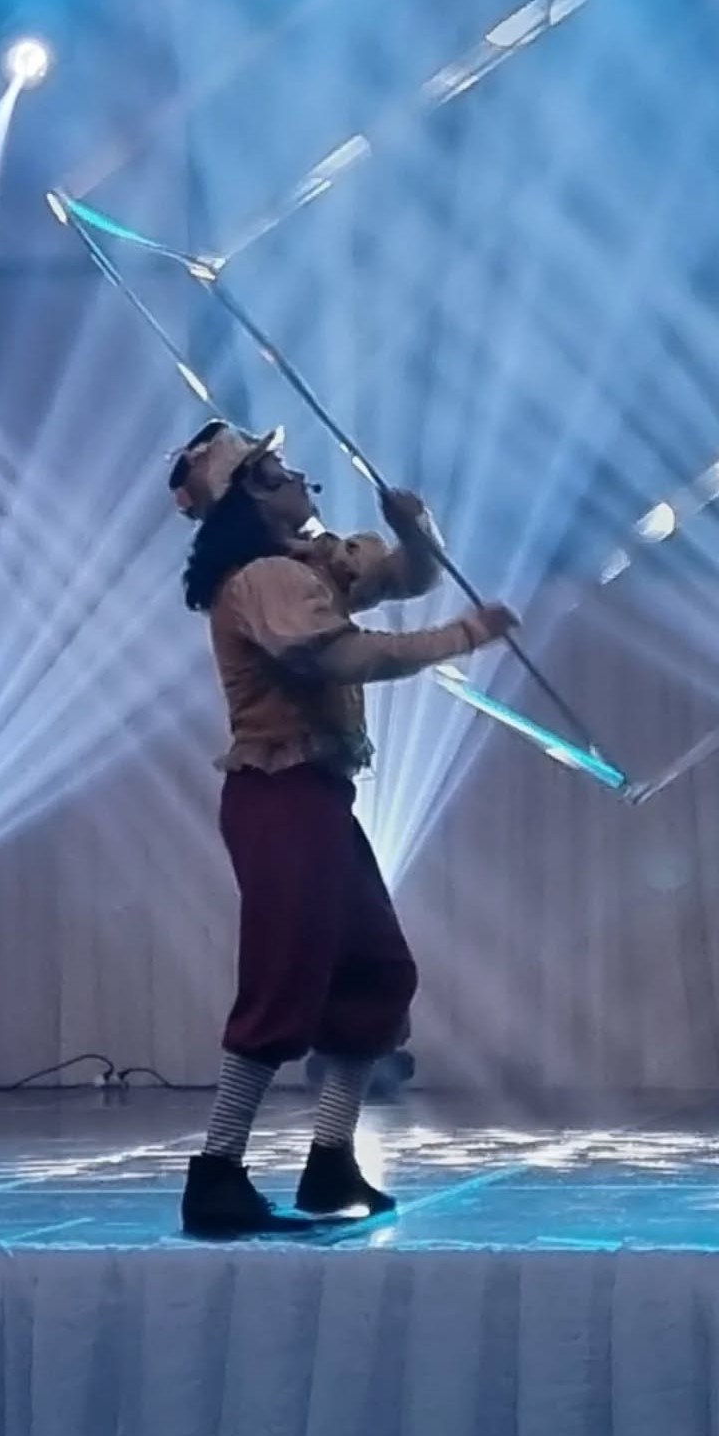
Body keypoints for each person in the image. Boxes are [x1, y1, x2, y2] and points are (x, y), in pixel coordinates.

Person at [165, 419, 519, 1239]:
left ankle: (330, 1160)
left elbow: (409, 576)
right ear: (253, 492)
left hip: (318, 796)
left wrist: (413, 530)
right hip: (278, 795)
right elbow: (339, 656)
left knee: (376, 971)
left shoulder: (303, 566)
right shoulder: (260, 581)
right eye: (280, 470)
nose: (301, 479)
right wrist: (465, 637)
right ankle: (216, 1173)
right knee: (283, 977)